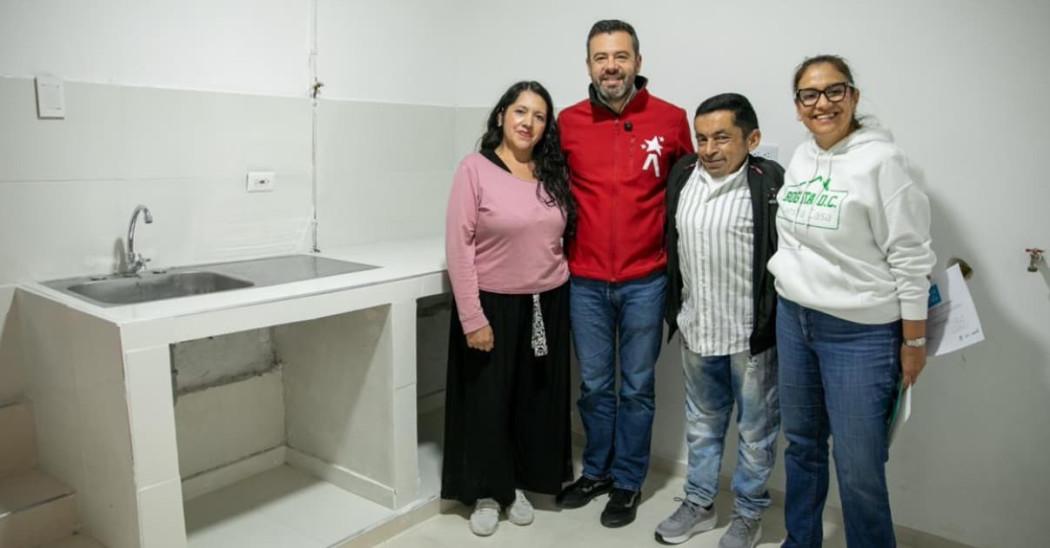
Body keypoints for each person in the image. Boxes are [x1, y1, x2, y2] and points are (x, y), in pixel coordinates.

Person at [767, 55, 936, 548]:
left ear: (854, 96)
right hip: (794, 319)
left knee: (859, 464)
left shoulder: (884, 162)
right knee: (801, 447)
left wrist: (914, 339)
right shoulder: (802, 156)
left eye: (834, 91)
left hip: (859, 334)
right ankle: (802, 541)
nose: (822, 103)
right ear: (798, 107)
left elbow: (910, 257)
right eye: (809, 95)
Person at [555, 19, 693, 528]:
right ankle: (596, 471)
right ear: (588, 64)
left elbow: (692, 191)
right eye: (600, 57)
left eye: (620, 56)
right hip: (585, 280)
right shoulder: (566, 122)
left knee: (635, 387)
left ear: (637, 60)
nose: (610, 66)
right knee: (594, 386)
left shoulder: (672, 120)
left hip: (646, 279)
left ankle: (629, 482)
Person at [441, 80, 575, 537]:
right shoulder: (474, 169)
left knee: (529, 401)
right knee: (487, 401)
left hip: (548, 303)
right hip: (493, 305)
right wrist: (472, 317)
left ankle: (514, 484)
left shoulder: (550, 171)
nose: (529, 123)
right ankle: (485, 490)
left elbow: (558, 237)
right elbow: (458, 247)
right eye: (521, 112)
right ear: (501, 115)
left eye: (539, 117)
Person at [658, 93, 783, 548]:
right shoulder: (683, 176)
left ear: (752, 138)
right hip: (697, 328)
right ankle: (699, 503)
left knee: (755, 432)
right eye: (702, 138)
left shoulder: (768, 182)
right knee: (702, 425)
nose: (709, 149)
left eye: (722, 138)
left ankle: (749, 515)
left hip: (750, 337)